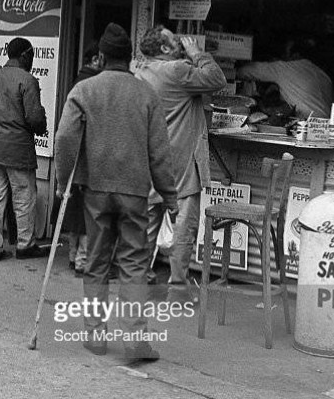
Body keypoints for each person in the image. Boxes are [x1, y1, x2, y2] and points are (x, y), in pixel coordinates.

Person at [55, 23, 178, 360]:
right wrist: (169, 196)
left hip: (95, 189)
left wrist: (64, 181)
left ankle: (95, 336)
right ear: (130, 59)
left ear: (100, 57)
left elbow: (65, 139)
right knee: (134, 264)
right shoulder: (146, 95)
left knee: (95, 261)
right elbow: (160, 152)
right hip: (135, 191)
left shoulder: (84, 90)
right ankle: (136, 340)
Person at [137, 26, 226, 300]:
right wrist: (197, 52)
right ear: (164, 49)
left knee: (146, 227)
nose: (180, 42)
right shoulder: (176, 70)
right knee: (183, 229)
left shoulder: (139, 71)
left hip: (149, 161)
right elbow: (217, 79)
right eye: (174, 40)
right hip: (180, 163)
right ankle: (177, 289)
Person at [0, 37, 48, 263]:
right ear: (25, 55)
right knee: (24, 198)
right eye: (32, 55)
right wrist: (42, 125)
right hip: (18, 148)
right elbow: (35, 118)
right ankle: (25, 245)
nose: (32, 59)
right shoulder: (28, 80)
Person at [63, 41, 101, 274]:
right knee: (88, 212)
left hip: (75, 156)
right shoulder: (92, 86)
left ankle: (72, 255)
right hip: (89, 156)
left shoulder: (77, 82)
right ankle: (82, 260)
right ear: (95, 59)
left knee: (76, 209)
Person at [236, 38, 333, 119]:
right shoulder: (323, 75)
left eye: (286, 54)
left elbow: (245, 71)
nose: (284, 58)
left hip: (307, 125)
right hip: (327, 126)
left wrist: (231, 66)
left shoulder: (286, 68)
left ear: (296, 54)